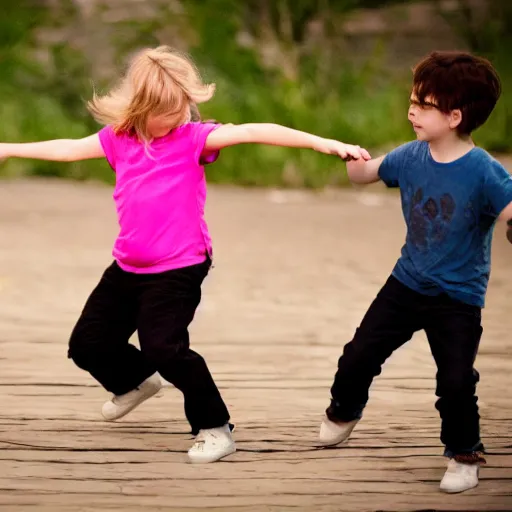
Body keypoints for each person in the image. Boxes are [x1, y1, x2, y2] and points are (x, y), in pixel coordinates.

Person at [0, 45, 370, 464]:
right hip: (128, 266)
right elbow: (67, 149)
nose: (177, 117)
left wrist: (325, 143)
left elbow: (254, 130)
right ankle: (135, 382)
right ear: (141, 108)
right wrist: (9, 148)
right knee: (86, 344)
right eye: (167, 111)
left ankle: (215, 428)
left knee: (165, 347)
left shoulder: (195, 138)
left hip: (179, 267)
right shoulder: (118, 139)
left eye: (182, 108)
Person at [318, 50, 512, 493]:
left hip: (458, 297)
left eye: (423, 104)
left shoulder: (484, 171)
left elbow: (509, 209)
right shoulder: (411, 156)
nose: (411, 110)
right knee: (358, 355)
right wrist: (348, 155)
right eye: (412, 100)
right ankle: (344, 410)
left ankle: (464, 453)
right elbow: (364, 174)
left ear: (455, 115)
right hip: (406, 283)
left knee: (456, 380)